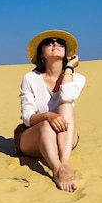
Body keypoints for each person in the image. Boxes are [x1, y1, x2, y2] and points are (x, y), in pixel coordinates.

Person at [14, 29, 86, 192]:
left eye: (60, 43)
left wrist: (69, 69)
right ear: (41, 53)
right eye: (49, 42)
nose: (55, 44)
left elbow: (66, 95)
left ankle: (65, 163)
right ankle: (57, 169)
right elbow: (27, 117)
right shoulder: (30, 78)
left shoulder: (78, 78)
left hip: (64, 138)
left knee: (66, 105)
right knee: (46, 124)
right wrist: (48, 115)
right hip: (33, 136)